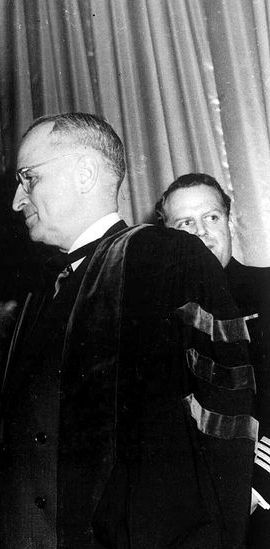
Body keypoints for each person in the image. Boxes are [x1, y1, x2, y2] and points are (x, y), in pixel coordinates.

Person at [0, 112, 255, 548]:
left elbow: (224, 416)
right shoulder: (38, 299)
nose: (17, 200)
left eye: (28, 178)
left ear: (84, 173)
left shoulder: (171, 259)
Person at [156, 173, 270, 548]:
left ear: (229, 222)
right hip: (188, 514)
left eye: (212, 217)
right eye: (186, 223)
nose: (202, 233)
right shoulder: (155, 319)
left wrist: (254, 483)